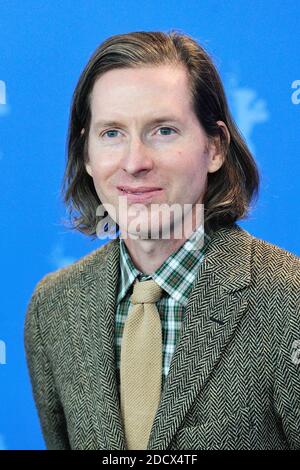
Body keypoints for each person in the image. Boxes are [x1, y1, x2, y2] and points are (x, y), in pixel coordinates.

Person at [24, 30, 300, 450]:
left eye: (164, 130)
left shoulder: (287, 298)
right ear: (87, 156)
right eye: (112, 133)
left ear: (215, 147)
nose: (135, 162)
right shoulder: (55, 307)